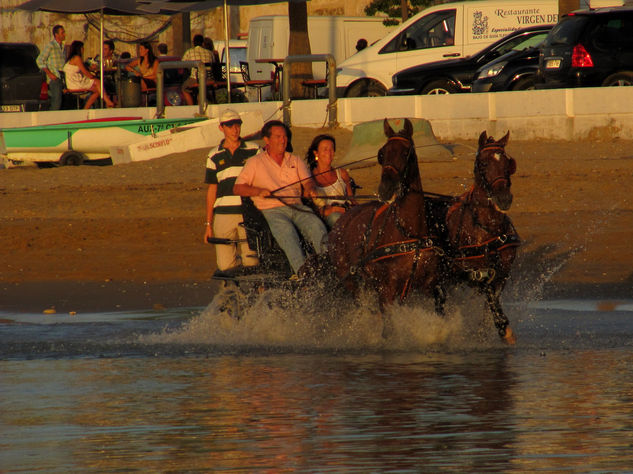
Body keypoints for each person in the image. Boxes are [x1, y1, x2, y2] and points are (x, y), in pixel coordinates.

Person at [234, 120, 328, 277]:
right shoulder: (255, 162)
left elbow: (308, 181)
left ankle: (328, 267)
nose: (283, 140)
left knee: (317, 226)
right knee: (287, 233)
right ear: (267, 140)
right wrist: (258, 191)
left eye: (284, 136)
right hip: (272, 210)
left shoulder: (295, 160)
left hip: (297, 207)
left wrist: (311, 190)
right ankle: (303, 274)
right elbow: (238, 188)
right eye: (278, 136)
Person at [204, 109, 261, 274]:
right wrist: (208, 224)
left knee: (252, 260)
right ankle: (231, 297)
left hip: (248, 212)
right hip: (222, 215)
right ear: (221, 128)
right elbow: (212, 190)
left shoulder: (254, 150)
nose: (234, 129)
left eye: (237, 125)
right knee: (225, 265)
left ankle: (255, 297)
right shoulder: (213, 155)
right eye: (229, 126)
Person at [305, 134, 355, 228]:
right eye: (325, 149)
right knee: (335, 217)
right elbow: (310, 208)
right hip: (325, 218)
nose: (329, 152)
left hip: (345, 213)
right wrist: (332, 210)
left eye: (331, 149)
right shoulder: (308, 177)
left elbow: (352, 200)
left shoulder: (342, 174)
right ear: (316, 153)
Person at [63, 40, 115, 109]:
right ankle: (108, 102)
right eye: (82, 48)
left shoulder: (71, 59)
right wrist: (93, 76)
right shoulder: (77, 58)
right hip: (75, 84)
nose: (83, 50)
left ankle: (86, 108)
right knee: (98, 81)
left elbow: (84, 68)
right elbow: (85, 72)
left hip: (72, 83)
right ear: (79, 49)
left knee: (97, 91)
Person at [37, 24, 65, 111]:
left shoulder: (63, 47)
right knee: (56, 103)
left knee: (60, 102)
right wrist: (50, 74)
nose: (64, 34)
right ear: (56, 35)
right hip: (54, 77)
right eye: (62, 33)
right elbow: (40, 60)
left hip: (62, 77)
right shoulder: (51, 45)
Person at [181, 34, 214, 106]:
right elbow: (213, 64)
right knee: (202, 88)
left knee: (184, 88)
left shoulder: (189, 52)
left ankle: (191, 106)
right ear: (203, 43)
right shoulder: (210, 53)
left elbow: (182, 65)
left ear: (193, 43)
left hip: (195, 78)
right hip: (209, 78)